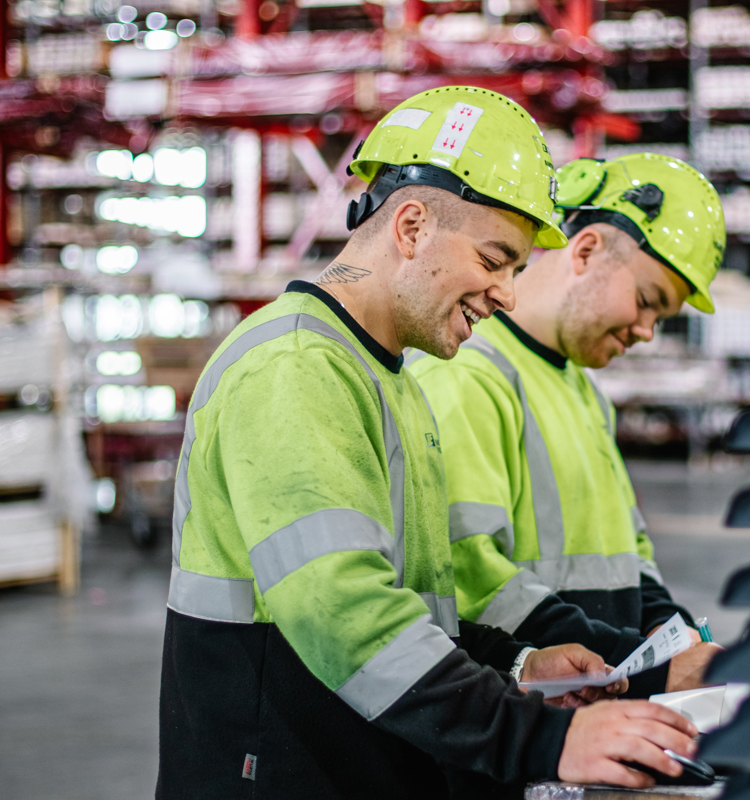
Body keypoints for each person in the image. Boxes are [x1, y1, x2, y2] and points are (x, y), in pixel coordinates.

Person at [156, 88, 697, 800]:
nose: (507, 293)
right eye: (495, 258)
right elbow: (340, 610)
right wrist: (539, 738)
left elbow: (413, 601)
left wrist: (517, 662)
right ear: (411, 226)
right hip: (278, 772)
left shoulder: (391, 379)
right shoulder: (295, 367)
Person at [409, 153, 726, 699]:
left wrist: (669, 635)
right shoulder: (467, 376)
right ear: (585, 250)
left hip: (595, 695)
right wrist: (638, 666)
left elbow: (630, 550)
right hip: (527, 707)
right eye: (647, 301)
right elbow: (465, 578)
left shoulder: (582, 390)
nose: (648, 330)